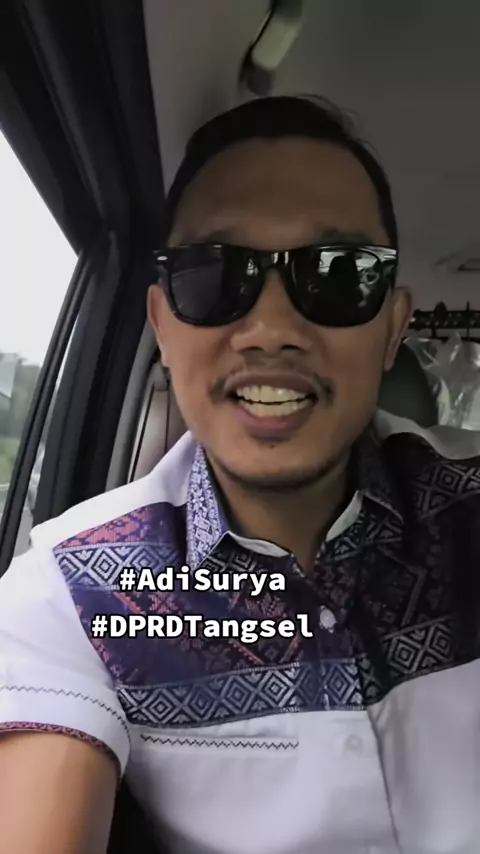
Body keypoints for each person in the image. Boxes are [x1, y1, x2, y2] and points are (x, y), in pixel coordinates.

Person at [1, 95, 480, 854]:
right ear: (163, 327)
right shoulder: (71, 591)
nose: (272, 330)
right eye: (215, 274)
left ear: (393, 328)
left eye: (338, 274)